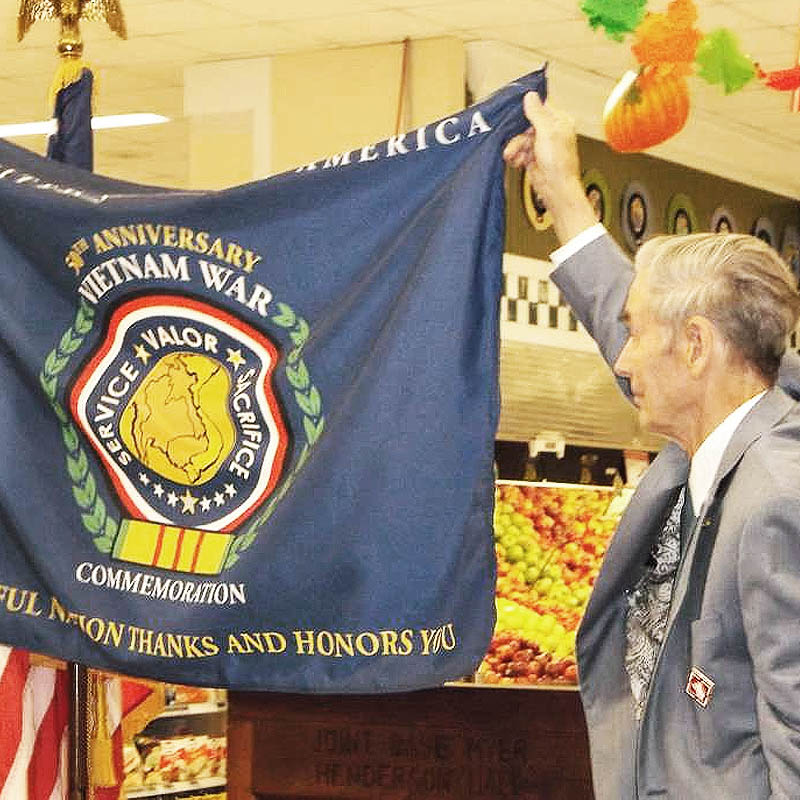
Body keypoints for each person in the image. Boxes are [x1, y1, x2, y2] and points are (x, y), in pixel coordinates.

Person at [504, 92, 800, 799]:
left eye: (638, 335)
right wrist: (563, 194)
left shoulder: (776, 502)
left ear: (696, 348)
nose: (624, 359)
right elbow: (624, 313)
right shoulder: (708, 436)